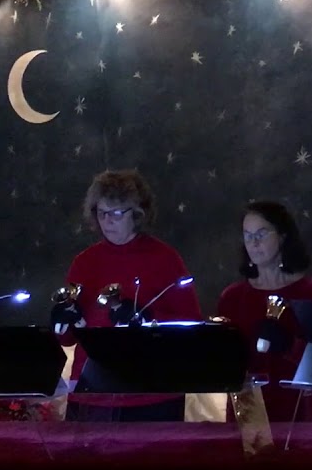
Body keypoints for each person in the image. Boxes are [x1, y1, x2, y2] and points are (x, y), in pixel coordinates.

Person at [52, 170, 202, 422]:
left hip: (153, 395)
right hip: (93, 395)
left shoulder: (165, 259)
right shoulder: (84, 262)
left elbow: (193, 329)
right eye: (102, 213)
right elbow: (67, 339)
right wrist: (62, 319)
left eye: (116, 213)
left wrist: (148, 318)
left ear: (137, 214)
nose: (107, 221)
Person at [217, 201, 312, 422]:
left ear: (282, 236)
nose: (254, 243)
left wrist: (290, 345)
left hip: (296, 417)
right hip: (248, 418)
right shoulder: (232, 298)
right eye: (248, 235)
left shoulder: (311, 293)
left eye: (261, 234)